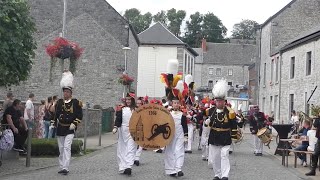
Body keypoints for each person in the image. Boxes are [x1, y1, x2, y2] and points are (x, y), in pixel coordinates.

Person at [204, 80, 237, 180]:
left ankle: (225, 175)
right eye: (217, 101)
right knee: (215, 157)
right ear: (215, 101)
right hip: (214, 135)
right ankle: (217, 174)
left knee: (224, 155)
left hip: (225, 136)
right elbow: (205, 122)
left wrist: (234, 136)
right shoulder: (210, 111)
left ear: (224, 101)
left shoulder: (229, 112)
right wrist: (206, 122)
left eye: (221, 101)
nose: (219, 103)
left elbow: (233, 124)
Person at [51, 71, 83, 175]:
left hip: (70, 128)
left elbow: (80, 115)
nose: (65, 93)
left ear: (70, 93)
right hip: (60, 127)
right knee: (61, 148)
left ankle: (66, 167)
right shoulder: (59, 102)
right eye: (64, 92)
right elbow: (55, 113)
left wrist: (75, 123)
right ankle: (61, 166)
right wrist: (53, 122)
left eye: (67, 92)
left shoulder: (76, 102)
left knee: (66, 147)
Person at [113, 93, 136, 176]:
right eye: (127, 99)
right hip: (122, 131)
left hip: (133, 131)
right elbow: (118, 119)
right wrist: (115, 127)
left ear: (132, 100)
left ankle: (129, 166)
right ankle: (123, 166)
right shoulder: (121, 108)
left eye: (129, 99)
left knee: (131, 148)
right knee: (122, 149)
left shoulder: (136, 109)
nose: (128, 101)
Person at [164, 96, 188, 177]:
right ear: (172, 104)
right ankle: (171, 170)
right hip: (170, 134)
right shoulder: (168, 113)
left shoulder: (182, 114)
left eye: (177, 103)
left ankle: (178, 169)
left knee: (179, 150)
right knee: (169, 151)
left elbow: (185, 125)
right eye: (175, 103)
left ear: (179, 104)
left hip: (179, 134)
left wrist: (186, 136)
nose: (176, 104)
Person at [134, 97, 144, 166]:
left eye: (140, 103)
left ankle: (137, 158)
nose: (138, 105)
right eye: (137, 103)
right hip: (134, 129)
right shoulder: (133, 110)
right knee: (133, 144)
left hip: (142, 129)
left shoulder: (144, 111)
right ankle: (133, 158)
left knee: (141, 144)